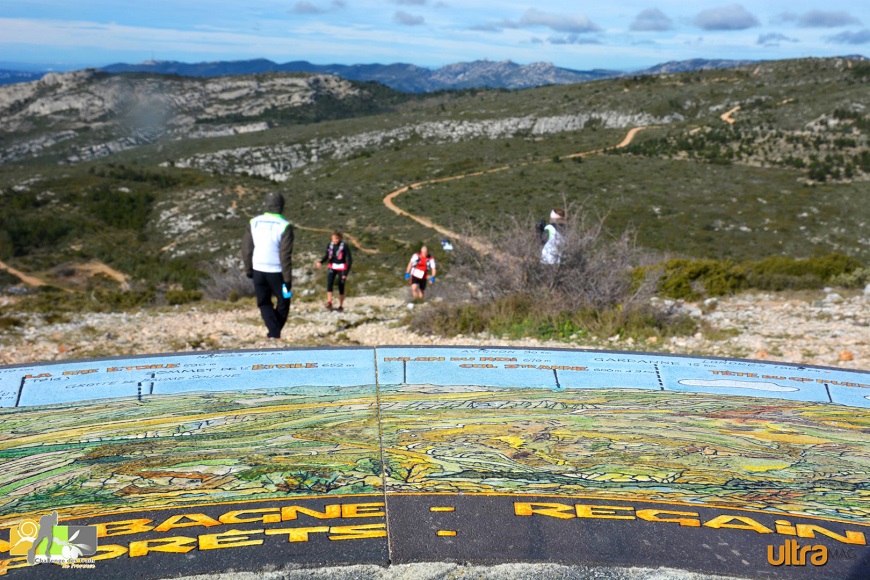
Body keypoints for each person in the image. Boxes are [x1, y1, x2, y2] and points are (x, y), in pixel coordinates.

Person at [242, 192, 294, 340]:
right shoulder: (285, 226)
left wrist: (248, 268)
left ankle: (273, 332)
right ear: (281, 206)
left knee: (264, 302)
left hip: (258, 270)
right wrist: (288, 279)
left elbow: (246, 248)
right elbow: (285, 255)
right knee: (285, 299)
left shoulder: (254, 222)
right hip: (277, 271)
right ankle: (275, 332)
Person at [315, 231, 352, 312]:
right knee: (329, 283)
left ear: (340, 238)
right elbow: (327, 255)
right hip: (332, 266)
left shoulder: (344, 246)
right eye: (333, 239)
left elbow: (350, 260)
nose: (335, 240)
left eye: (336, 239)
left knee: (341, 286)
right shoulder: (330, 245)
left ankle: (341, 306)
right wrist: (320, 262)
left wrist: (345, 273)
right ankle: (329, 303)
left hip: (342, 268)